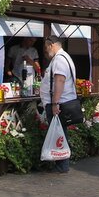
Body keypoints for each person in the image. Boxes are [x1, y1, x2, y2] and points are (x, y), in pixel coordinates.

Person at [41, 34, 77, 174]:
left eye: (46, 48)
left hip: (59, 103)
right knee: (60, 132)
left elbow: (59, 81)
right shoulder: (64, 57)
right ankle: (61, 164)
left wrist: (55, 103)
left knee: (59, 133)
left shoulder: (59, 60)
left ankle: (61, 165)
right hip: (62, 102)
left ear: (51, 45)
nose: (46, 51)